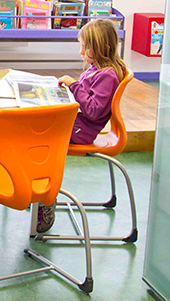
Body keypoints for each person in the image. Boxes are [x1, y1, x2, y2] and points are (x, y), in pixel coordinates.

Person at [36, 19, 128, 233]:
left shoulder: (108, 75)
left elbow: (94, 109)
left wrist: (74, 85)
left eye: (85, 47)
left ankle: (45, 197)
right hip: (77, 124)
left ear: (102, 48)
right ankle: (41, 193)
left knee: (39, 137)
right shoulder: (100, 70)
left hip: (80, 131)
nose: (81, 52)